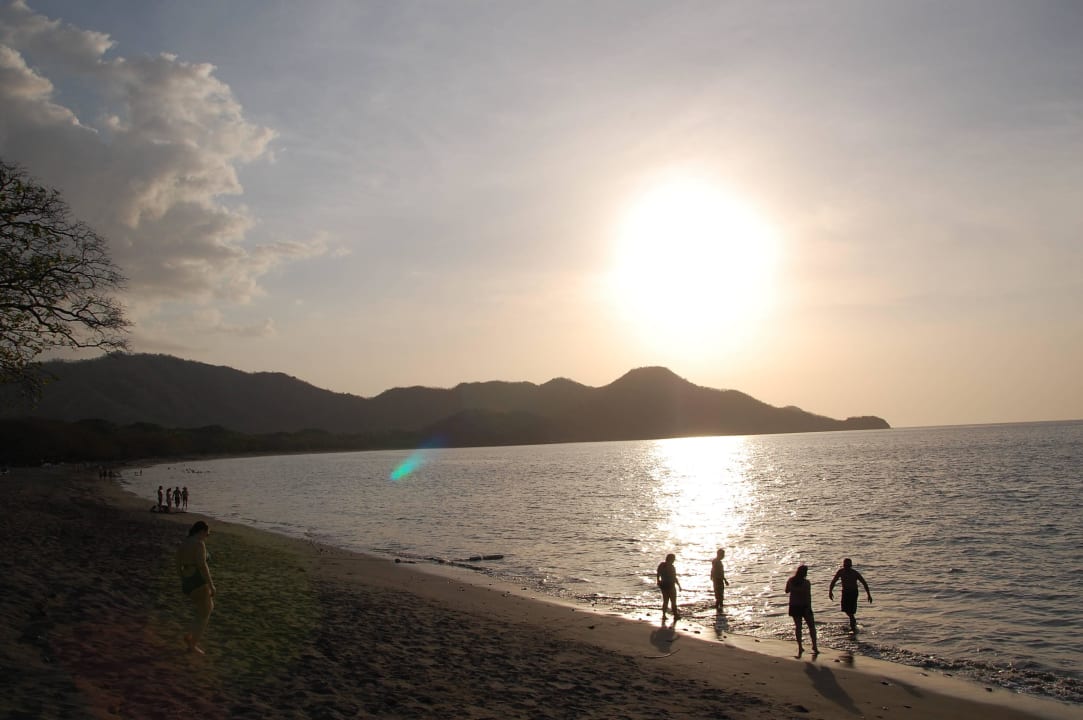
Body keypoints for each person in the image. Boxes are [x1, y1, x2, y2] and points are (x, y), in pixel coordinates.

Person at [176, 521, 216, 654]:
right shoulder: (199, 544)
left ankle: (190, 636)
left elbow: (177, 564)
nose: (207, 536)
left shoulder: (184, 542)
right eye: (207, 533)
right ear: (201, 531)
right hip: (198, 579)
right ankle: (192, 644)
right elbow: (202, 566)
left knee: (202, 610)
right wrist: (211, 585)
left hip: (187, 579)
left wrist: (183, 579)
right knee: (206, 612)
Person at [829, 558, 872, 634]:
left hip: (853, 593)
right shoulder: (841, 572)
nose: (847, 567)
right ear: (843, 565)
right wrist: (830, 591)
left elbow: (864, 583)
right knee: (845, 610)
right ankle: (853, 623)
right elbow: (834, 581)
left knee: (851, 612)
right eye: (845, 565)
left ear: (851, 566)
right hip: (845, 592)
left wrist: (868, 594)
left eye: (848, 565)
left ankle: (853, 627)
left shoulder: (854, 573)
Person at [785, 564, 818, 655]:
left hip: (794, 606)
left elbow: (787, 590)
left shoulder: (791, 580)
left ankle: (800, 646)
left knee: (798, 627)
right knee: (811, 626)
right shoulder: (806, 582)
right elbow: (808, 596)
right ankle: (814, 646)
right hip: (804, 605)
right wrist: (809, 607)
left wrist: (794, 589)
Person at [656, 553, 682, 619]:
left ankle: (664, 615)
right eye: (673, 559)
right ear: (671, 559)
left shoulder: (661, 565)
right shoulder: (672, 567)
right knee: (673, 601)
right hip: (670, 585)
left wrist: (658, 581)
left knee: (665, 601)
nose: (674, 560)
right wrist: (679, 585)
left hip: (663, 585)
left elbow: (658, 574)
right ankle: (675, 615)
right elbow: (674, 577)